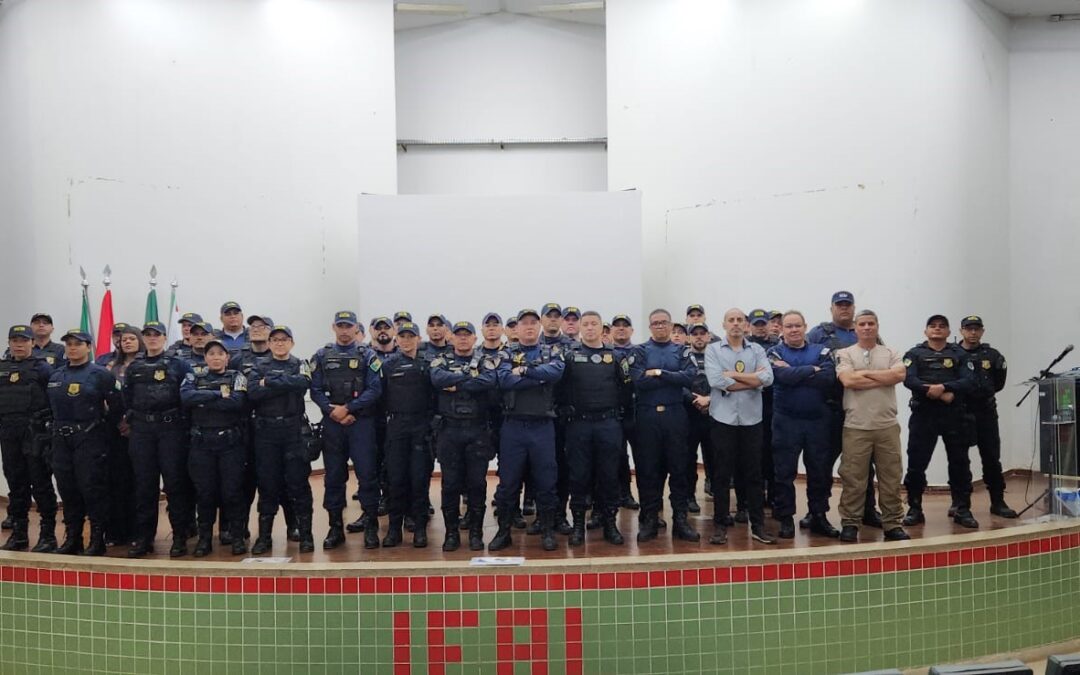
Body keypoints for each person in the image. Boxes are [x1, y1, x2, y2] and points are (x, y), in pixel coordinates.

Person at [489, 309, 566, 552]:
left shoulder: (552, 350)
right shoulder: (505, 353)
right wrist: (538, 377)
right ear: (517, 328)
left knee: (546, 481)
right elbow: (504, 379)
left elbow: (555, 373)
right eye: (524, 323)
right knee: (508, 483)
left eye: (534, 322)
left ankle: (546, 530)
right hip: (513, 427)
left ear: (540, 326)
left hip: (542, 427)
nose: (530, 327)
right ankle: (504, 532)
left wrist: (523, 370)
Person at [834, 310, 910, 543]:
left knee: (891, 477)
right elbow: (848, 380)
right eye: (862, 324)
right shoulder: (844, 353)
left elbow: (899, 375)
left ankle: (892, 523)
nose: (867, 328)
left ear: (877, 326)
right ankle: (850, 523)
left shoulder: (891, 352)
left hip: (886, 426)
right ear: (855, 328)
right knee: (853, 478)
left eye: (871, 324)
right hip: (856, 426)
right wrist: (881, 376)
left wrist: (864, 374)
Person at [310, 311, 383, 550]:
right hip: (332, 425)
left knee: (367, 475)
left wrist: (350, 409)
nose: (344, 330)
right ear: (333, 327)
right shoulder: (321, 356)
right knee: (333, 478)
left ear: (355, 328)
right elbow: (315, 390)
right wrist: (332, 411)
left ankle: (371, 525)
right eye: (340, 326)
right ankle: (335, 528)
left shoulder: (368, 355)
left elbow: (374, 390)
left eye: (348, 326)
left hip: (361, 424)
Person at [123, 320, 195, 558]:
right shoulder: (135, 367)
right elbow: (127, 398)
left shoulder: (179, 364)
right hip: (142, 431)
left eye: (157, 335)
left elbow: (188, 396)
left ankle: (179, 537)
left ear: (165, 338)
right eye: (148, 335)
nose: (152, 338)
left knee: (175, 485)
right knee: (144, 487)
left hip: (170, 430)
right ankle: (144, 539)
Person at [807, 291, 879, 528]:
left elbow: (881, 365)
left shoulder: (865, 333)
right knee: (821, 464)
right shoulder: (819, 333)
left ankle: (868, 510)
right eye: (839, 305)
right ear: (832, 309)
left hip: (859, 409)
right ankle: (817, 513)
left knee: (863, 463)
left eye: (848, 305)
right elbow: (807, 361)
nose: (844, 309)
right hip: (828, 409)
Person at [705, 308, 776, 545]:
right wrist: (751, 380)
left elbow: (768, 379)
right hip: (722, 419)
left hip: (751, 421)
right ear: (724, 324)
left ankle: (758, 527)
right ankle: (720, 526)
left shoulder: (756, 350)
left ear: (746, 325)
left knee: (754, 475)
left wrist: (733, 377)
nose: (735, 324)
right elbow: (716, 381)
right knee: (722, 476)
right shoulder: (713, 349)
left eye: (739, 320)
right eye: (731, 320)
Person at [766, 311, 838, 539]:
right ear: (782, 329)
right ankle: (785, 518)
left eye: (798, 325)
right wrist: (810, 370)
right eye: (789, 326)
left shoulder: (821, 350)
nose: (794, 329)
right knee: (784, 473)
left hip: (818, 421)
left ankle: (818, 516)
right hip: (786, 421)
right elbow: (780, 377)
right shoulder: (773, 352)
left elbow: (828, 378)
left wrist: (793, 372)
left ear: (805, 326)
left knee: (819, 472)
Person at [902, 314, 978, 529]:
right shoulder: (914, 353)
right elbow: (909, 379)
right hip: (923, 415)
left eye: (942, 326)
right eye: (932, 326)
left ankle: (962, 509)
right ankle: (915, 508)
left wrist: (945, 389)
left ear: (948, 331)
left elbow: (969, 380)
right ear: (926, 331)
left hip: (954, 416)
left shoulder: (959, 354)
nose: (937, 329)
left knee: (960, 463)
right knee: (917, 463)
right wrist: (934, 391)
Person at [47, 328, 119, 555]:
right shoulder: (56, 375)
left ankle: (97, 540)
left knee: (92, 489)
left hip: (89, 439)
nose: (72, 348)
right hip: (61, 440)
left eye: (78, 344)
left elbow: (117, 407)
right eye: (68, 344)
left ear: (88, 347)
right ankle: (73, 539)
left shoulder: (101, 374)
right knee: (67, 490)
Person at [630, 308, 699, 543]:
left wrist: (658, 373)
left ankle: (680, 520)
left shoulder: (682, 350)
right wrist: (672, 376)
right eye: (655, 323)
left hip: (675, 415)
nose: (660, 326)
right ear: (650, 327)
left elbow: (689, 377)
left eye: (664, 323)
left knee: (679, 469)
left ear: (671, 326)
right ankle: (650, 519)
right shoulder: (639, 351)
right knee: (649, 470)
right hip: (647, 417)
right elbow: (639, 381)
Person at [430, 321, 500, 551]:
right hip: (449, 431)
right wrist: (469, 378)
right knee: (450, 485)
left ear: (474, 339)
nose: (462, 339)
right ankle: (451, 534)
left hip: (477, 431)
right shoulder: (441, 361)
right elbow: (437, 379)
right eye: (458, 335)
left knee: (477, 485)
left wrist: (457, 384)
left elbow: (489, 380)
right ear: (452, 338)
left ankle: (476, 534)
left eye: (466, 335)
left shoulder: (485, 361)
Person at [562, 311, 628, 545]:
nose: (590, 328)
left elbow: (626, 390)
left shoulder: (616, 357)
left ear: (602, 329)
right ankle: (578, 525)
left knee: (609, 476)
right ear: (580, 328)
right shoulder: (569, 357)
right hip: (579, 424)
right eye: (586, 324)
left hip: (608, 424)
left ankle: (610, 524)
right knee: (579, 476)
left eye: (594, 324)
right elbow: (561, 391)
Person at [247, 325, 314, 555]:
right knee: (267, 485)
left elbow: (302, 385)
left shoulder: (301, 364)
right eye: (274, 340)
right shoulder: (258, 366)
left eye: (284, 339)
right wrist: (284, 382)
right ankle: (264, 538)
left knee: (299, 484)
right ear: (269, 343)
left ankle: (306, 535)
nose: (279, 343)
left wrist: (271, 382)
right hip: (266, 433)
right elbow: (254, 393)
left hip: (293, 431)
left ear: (291, 342)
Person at [180, 339, 249, 557]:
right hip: (201, 444)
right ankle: (205, 540)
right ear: (205, 357)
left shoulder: (237, 377)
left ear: (227, 358)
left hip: (230, 444)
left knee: (232, 493)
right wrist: (218, 394)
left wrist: (204, 400)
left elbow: (237, 402)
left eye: (220, 353)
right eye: (211, 354)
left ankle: (237, 537)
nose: (216, 357)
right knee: (205, 494)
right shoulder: (194, 376)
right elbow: (186, 397)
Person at [0, 325, 58, 552]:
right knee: (16, 484)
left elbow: (54, 398)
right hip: (9, 433)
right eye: (14, 340)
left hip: (35, 433)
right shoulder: (2, 368)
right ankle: (19, 534)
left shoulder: (42, 369)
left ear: (32, 343)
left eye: (23, 340)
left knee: (41, 484)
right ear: (9, 343)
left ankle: (48, 535)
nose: (19, 344)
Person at [379, 322, 435, 548]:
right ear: (397, 339)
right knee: (396, 480)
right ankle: (394, 529)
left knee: (419, 480)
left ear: (418, 339)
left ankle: (420, 529)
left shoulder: (428, 365)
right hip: (397, 427)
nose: (407, 340)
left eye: (411, 336)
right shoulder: (388, 365)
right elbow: (380, 396)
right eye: (402, 336)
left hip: (421, 427)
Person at [958, 315, 1017, 518]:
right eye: (968, 328)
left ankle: (998, 501)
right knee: (959, 461)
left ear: (982, 331)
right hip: (961, 413)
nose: (972, 332)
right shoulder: (953, 355)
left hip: (986, 413)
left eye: (976, 329)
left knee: (992, 458)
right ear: (961, 331)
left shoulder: (992, 355)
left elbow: (998, 383)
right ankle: (960, 503)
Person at [101, 325, 142, 547]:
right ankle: (115, 531)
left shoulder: (147, 365)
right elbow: (106, 398)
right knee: (116, 481)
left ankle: (137, 532)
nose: (126, 342)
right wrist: (118, 421)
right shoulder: (110, 367)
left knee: (138, 481)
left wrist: (131, 421)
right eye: (123, 339)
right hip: (114, 430)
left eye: (131, 338)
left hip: (140, 429)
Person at [746, 309, 779, 517]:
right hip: (750, 403)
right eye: (756, 323)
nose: (760, 327)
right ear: (750, 325)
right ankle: (752, 500)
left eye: (763, 323)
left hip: (773, 406)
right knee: (753, 456)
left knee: (773, 455)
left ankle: (774, 498)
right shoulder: (744, 346)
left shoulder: (778, 346)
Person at [683, 323, 714, 515]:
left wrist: (710, 400)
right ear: (688, 338)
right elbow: (678, 382)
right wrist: (694, 399)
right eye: (695, 334)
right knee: (688, 459)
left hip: (714, 412)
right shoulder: (682, 357)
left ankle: (718, 493)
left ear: (709, 336)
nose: (699, 337)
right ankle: (689, 496)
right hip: (689, 413)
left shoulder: (717, 357)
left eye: (703, 334)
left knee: (715, 458)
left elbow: (724, 380)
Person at [610, 314, 639, 510]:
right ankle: (621, 494)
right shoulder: (606, 353)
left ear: (632, 330)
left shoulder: (640, 352)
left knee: (643, 456)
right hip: (614, 412)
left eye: (625, 325)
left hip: (638, 412)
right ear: (611, 330)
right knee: (617, 456)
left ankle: (645, 501)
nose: (621, 329)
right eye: (617, 326)